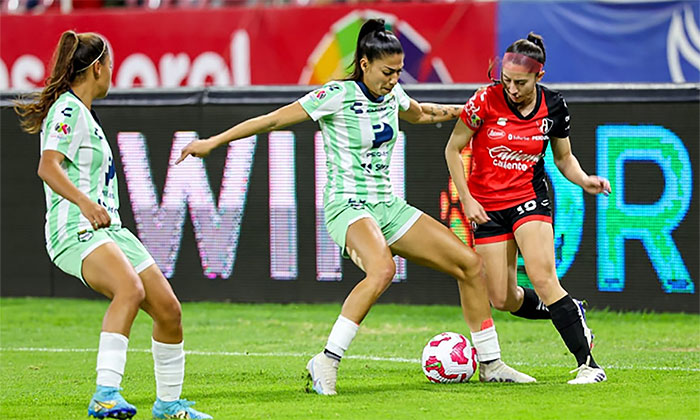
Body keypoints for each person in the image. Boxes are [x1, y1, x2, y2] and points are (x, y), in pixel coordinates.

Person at [177, 18, 535, 395]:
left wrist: (468, 110)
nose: (394, 79)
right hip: (347, 206)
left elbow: (422, 113)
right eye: (387, 72)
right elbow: (272, 120)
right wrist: (212, 142)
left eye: (398, 72)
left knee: (470, 264)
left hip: (388, 206)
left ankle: (491, 364)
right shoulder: (335, 95)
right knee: (381, 270)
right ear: (363, 64)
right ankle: (326, 362)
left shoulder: (394, 95)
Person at [14, 31, 212, 418]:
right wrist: (85, 202)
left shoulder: (84, 114)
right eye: (111, 66)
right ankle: (106, 394)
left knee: (169, 310)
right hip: (75, 229)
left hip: (110, 230)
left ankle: (168, 404)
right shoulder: (68, 110)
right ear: (97, 68)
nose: (112, 75)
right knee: (129, 288)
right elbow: (47, 166)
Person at [445, 32, 609, 384]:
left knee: (544, 278)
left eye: (520, 82)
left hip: (528, 198)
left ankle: (589, 365)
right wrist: (468, 199)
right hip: (487, 207)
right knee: (503, 298)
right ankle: (569, 311)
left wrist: (584, 180)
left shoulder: (554, 106)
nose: (512, 89)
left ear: (539, 76)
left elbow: (564, 159)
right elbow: (452, 149)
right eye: (506, 80)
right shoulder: (484, 101)